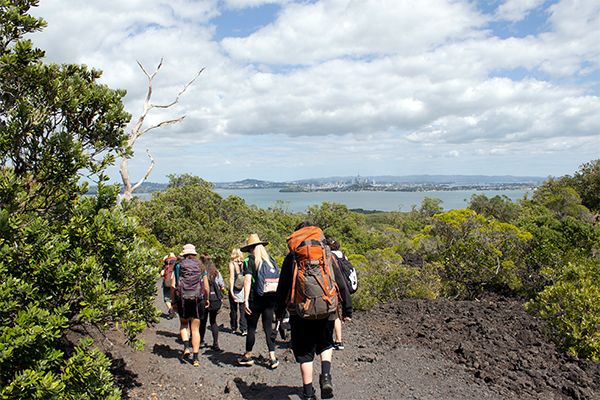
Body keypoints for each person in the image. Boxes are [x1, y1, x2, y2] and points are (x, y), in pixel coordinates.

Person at [275, 222, 352, 400]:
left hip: (300, 313)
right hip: (327, 309)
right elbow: (340, 283)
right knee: (326, 343)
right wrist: (347, 309)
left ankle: (308, 393)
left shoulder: (292, 258)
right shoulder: (327, 256)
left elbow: (283, 289)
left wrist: (279, 314)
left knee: (305, 353)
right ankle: (326, 377)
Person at [239, 234, 279, 369]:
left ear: (250, 248)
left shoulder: (249, 260)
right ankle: (272, 357)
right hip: (271, 298)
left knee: (251, 328)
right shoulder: (270, 260)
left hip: (255, 299)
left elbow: (247, 280)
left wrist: (245, 300)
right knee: (268, 327)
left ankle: (248, 356)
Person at [171, 244, 210, 367]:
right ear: (194, 254)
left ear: (183, 254)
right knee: (195, 329)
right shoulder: (201, 266)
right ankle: (196, 357)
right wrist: (206, 299)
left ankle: (186, 347)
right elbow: (207, 287)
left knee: (184, 324)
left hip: (182, 299)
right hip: (197, 299)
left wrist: (173, 302)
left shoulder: (178, 266)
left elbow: (173, 286)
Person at [324, 234, 353, 350]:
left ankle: (328, 341)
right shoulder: (342, 255)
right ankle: (339, 340)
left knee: (332, 314)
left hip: (331, 288)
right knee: (336, 315)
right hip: (341, 289)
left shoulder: (329, 256)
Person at [199, 253, 225, 351]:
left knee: (203, 321)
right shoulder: (216, 272)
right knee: (213, 321)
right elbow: (222, 286)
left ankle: (201, 341)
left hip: (204, 300)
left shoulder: (201, 272)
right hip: (214, 300)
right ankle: (215, 343)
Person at [228, 248, 247, 336]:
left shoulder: (232, 264)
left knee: (234, 309)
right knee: (243, 309)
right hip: (243, 288)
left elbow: (232, 278)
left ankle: (234, 327)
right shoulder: (244, 264)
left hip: (235, 287)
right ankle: (244, 328)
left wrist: (231, 290)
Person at [161, 252, 177, 319]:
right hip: (175, 283)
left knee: (167, 297)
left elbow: (162, 273)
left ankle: (170, 309)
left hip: (167, 282)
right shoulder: (177, 263)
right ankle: (174, 310)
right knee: (175, 297)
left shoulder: (166, 264)